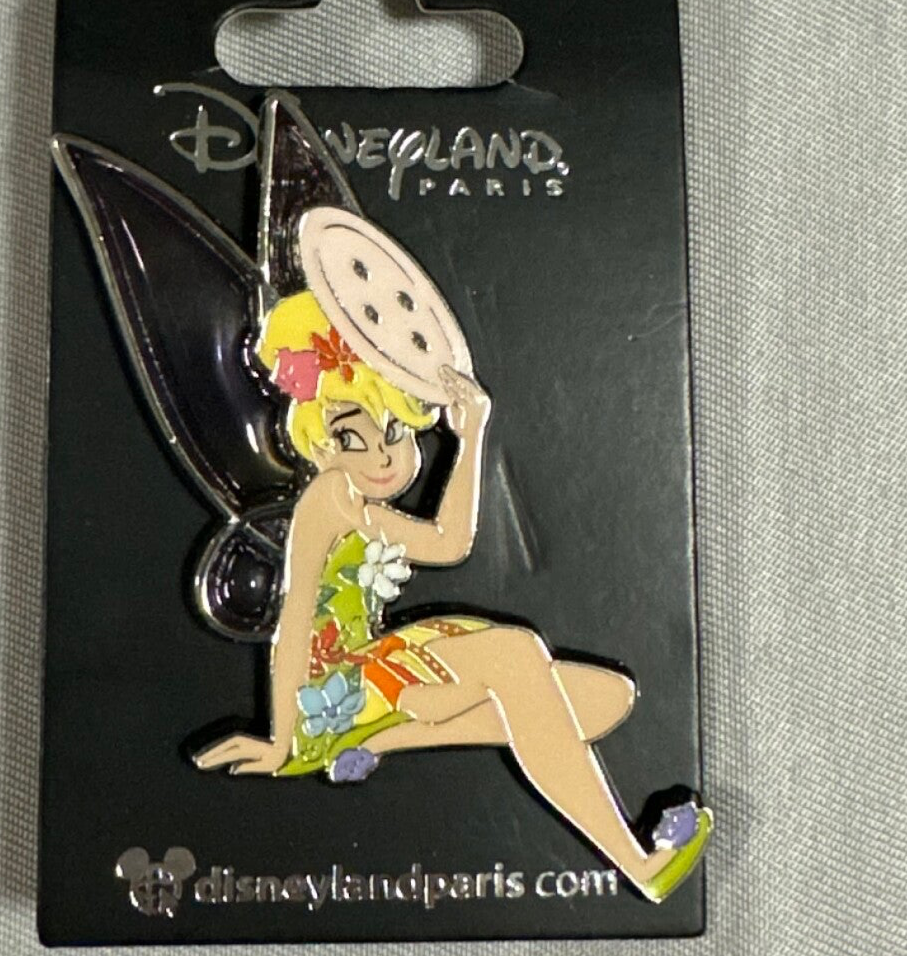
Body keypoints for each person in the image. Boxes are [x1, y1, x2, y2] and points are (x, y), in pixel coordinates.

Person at [196, 288, 711, 902]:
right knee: (516, 654)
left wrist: (470, 438)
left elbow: (447, 543)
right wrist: (282, 739)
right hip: (331, 690)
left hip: (375, 664)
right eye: (353, 439)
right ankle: (638, 862)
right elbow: (296, 615)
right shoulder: (329, 497)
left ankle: (381, 741)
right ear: (323, 443)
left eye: (392, 431)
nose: (382, 456)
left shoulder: (359, 504)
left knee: (606, 699)